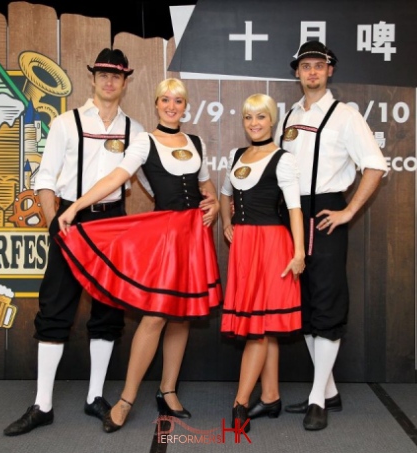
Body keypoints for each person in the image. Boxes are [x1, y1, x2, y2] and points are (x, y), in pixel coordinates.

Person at [55, 77, 222, 433]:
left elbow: (206, 185)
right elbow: (116, 178)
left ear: (185, 105)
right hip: (165, 239)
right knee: (156, 317)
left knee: (183, 317)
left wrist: (217, 203)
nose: (172, 106)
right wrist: (76, 207)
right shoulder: (144, 141)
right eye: (165, 99)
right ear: (157, 103)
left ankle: (168, 390)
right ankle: (127, 398)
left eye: (178, 100)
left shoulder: (195, 142)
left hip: (194, 238)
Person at [3, 48, 145, 437]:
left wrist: (198, 197)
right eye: (103, 74)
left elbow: (153, 182)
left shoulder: (136, 130)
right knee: (54, 308)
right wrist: (54, 224)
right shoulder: (66, 123)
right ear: (93, 77)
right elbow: (45, 178)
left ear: (126, 80)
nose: (109, 81)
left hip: (113, 223)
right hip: (70, 221)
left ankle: (94, 396)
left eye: (116, 75)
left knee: (108, 310)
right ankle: (42, 404)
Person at [274, 40, 388, 431]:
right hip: (290, 213)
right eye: (305, 66)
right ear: (297, 72)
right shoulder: (287, 114)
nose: (312, 72)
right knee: (303, 306)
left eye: (318, 66)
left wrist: (348, 211)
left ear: (330, 70)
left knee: (326, 303)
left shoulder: (346, 116)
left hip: (325, 212)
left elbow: (375, 165)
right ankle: (329, 391)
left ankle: (315, 398)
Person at [220, 93, 305, 433]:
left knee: (257, 329)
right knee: (264, 325)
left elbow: (295, 209)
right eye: (248, 117)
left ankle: (240, 402)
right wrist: (227, 221)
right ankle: (270, 395)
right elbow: (226, 191)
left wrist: (299, 253)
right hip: (244, 247)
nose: (254, 123)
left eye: (261, 116)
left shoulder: (283, 159)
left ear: (272, 120)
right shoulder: (237, 155)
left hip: (272, 246)